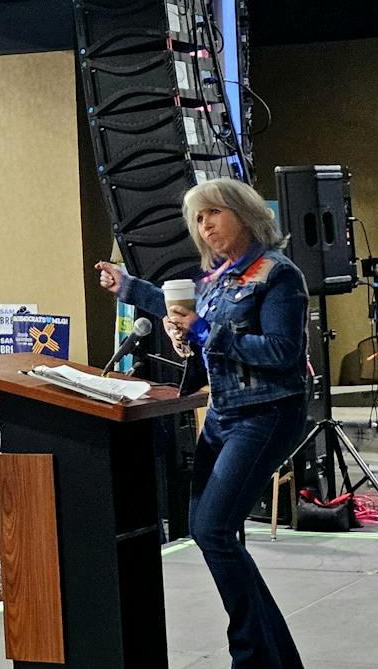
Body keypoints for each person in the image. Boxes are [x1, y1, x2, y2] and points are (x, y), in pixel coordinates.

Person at [97, 177, 309, 669]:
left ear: (244, 214)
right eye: (198, 217)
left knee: (213, 528)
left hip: (267, 413)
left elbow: (283, 353)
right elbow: (180, 310)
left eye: (214, 212)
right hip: (223, 413)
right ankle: (274, 656)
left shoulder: (278, 274)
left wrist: (207, 332)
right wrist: (129, 288)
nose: (205, 225)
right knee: (208, 528)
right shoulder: (217, 279)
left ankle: (253, 656)